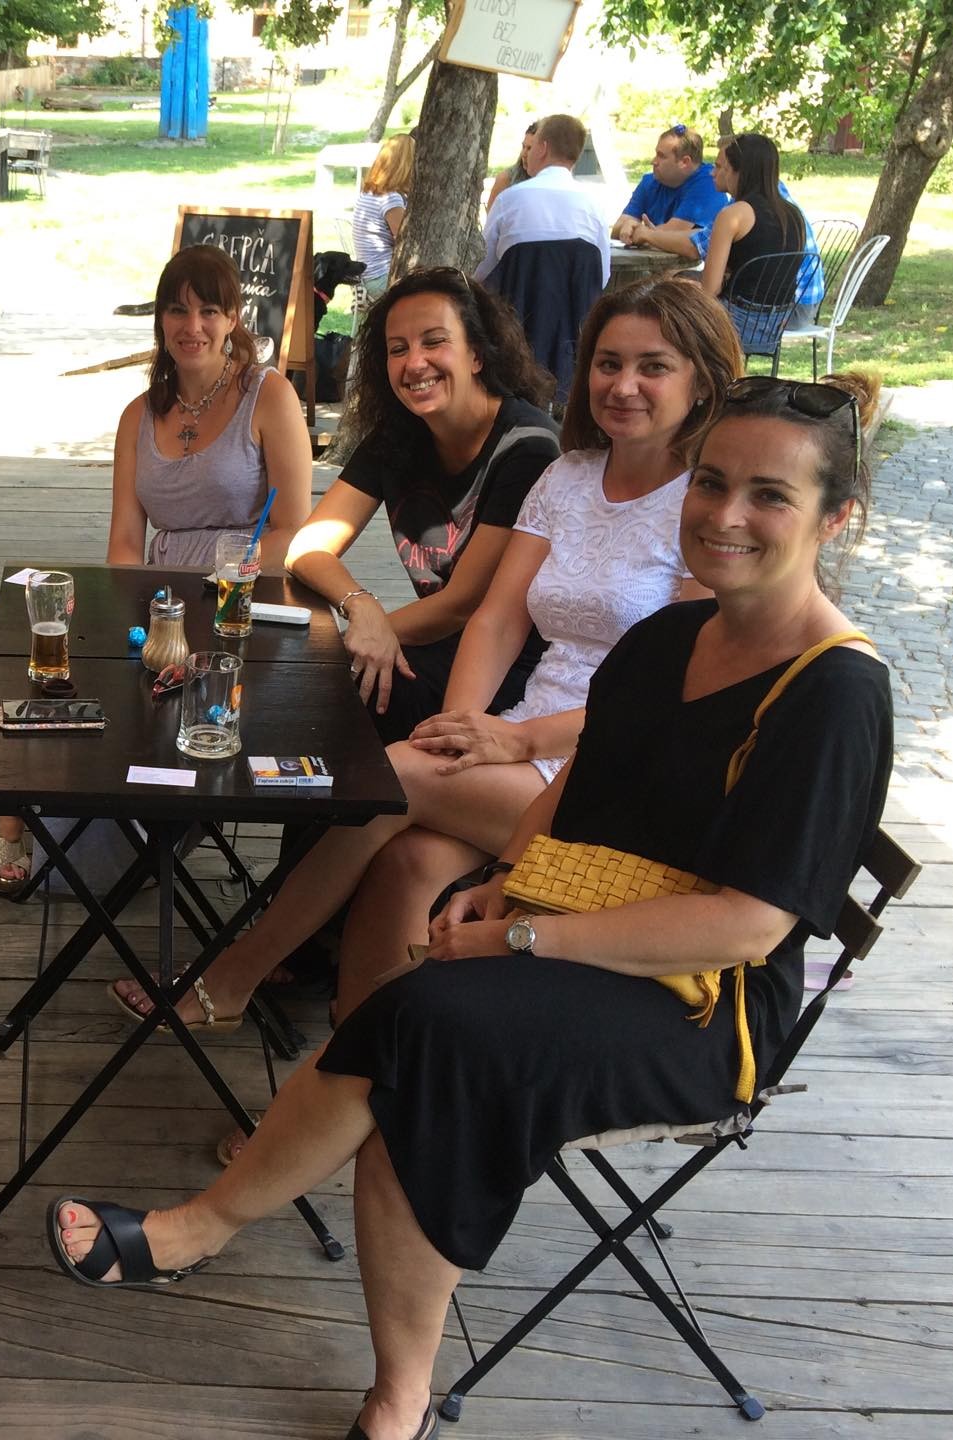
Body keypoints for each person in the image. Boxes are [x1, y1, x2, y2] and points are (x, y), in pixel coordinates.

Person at [55, 368, 892, 1440]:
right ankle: (377, 1378)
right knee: (426, 1032)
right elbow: (576, 785)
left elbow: (748, 925)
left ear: (836, 517)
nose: (727, 514)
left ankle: (216, 1246)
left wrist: (522, 935)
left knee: (430, 1031)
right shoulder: (668, 639)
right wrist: (503, 880)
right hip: (590, 930)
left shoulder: (835, 692)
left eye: (770, 495)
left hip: (705, 1005)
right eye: (713, 482)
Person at [120, 277, 743, 1072]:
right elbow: (496, 620)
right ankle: (357, 1076)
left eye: (652, 367)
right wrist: (462, 729)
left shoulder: (708, 508)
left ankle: (235, 975)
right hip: (518, 739)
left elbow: (669, 700)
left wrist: (514, 742)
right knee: (405, 859)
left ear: (701, 382)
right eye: (609, 363)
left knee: (388, 776)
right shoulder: (570, 477)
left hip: (608, 770)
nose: (623, 385)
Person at [283, 269, 559, 744]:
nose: (414, 363)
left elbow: (462, 605)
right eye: (398, 349)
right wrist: (363, 609)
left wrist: (364, 638)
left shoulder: (528, 447)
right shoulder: (399, 434)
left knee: (328, 696)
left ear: (477, 354)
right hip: (430, 644)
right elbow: (306, 548)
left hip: (509, 664)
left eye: (434, 342)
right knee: (303, 687)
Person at [107, 245, 312, 572]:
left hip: (248, 587)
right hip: (164, 594)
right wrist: (131, 595)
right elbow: (125, 543)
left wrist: (221, 580)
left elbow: (294, 532)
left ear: (232, 319)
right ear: (161, 320)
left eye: (209, 311)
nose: (192, 327)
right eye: (178, 310)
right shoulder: (136, 416)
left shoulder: (270, 396)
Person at [699, 132, 822, 327]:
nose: (716, 173)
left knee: (670, 297)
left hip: (737, 320)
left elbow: (709, 291)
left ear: (739, 172)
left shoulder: (733, 215)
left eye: (724, 168)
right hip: (777, 323)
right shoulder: (793, 214)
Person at [476, 113, 609, 287]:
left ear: (542, 148)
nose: (526, 154)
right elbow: (602, 276)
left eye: (531, 147)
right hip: (575, 303)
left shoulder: (509, 200)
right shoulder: (595, 207)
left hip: (513, 302)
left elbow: (482, 266)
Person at [612, 123, 728, 259]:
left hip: (693, 269)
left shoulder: (709, 183)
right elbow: (617, 229)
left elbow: (673, 232)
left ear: (685, 162)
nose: (653, 161)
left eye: (661, 156)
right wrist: (629, 227)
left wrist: (639, 232)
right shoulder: (649, 182)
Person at [352, 135, 413, 299]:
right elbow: (406, 242)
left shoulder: (370, 192)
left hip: (367, 276)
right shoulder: (391, 198)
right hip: (381, 278)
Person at [483, 122, 536, 213]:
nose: (523, 154)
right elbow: (492, 218)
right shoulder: (506, 179)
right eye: (523, 147)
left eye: (530, 148)